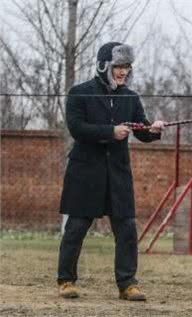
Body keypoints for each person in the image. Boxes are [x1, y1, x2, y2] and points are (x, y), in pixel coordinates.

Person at [57, 42, 165, 301]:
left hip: (118, 175)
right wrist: (110, 132)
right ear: (104, 65)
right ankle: (66, 280)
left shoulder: (131, 97)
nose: (123, 71)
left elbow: (141, 130)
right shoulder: (79, 93)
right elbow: (77, 128)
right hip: (85, 174)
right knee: (76, 228)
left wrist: (153, 129)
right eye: (118, 66)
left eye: (127, 67)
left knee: (127, 229)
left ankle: (127, 284)